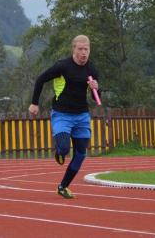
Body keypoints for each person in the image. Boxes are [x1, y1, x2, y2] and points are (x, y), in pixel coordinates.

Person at [29, 35, 100, 199]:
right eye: (80, 49)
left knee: (81, 153)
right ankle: (59, 151)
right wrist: (34, 103)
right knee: (64, 148)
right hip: (62, 114)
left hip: (82, 115)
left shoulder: (92, 70)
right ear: (73, 49)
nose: (84, 53)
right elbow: (40, 79)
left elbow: (97, 98)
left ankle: (63, 186)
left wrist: (96, 88)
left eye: (86, 49)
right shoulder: (63, 66)